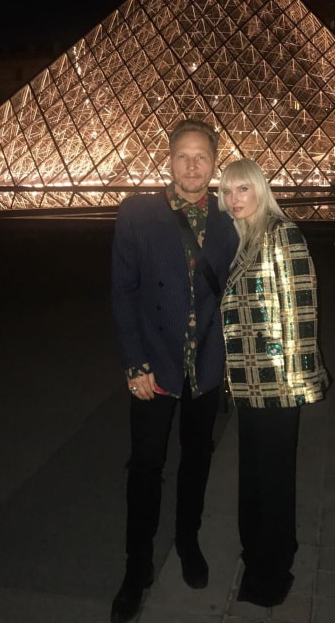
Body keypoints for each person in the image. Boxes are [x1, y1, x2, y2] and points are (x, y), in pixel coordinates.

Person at [110, 118, 238, 623]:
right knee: (145, 467)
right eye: (182, 155)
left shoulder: (232, 215)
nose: (191, 165)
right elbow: (123, 291)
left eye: (201, 157)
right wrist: (134, 363)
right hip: (155, 365)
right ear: (168, 160)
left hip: (204, 363)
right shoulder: (138, 213)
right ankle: (136, 566)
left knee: (197, 457)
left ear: (214, 162)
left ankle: (187, 541)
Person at [217, 158, 330, 608]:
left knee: (274, 479)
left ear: (261, 190)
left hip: (279, 387)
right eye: (227, 192)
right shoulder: (246, 239)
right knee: (255, 477)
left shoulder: (283, 235)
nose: (234, 199)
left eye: (243, 189)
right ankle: (258, 554)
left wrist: (298, 385)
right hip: (248, 385)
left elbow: (304, 311)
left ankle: (273, 570)